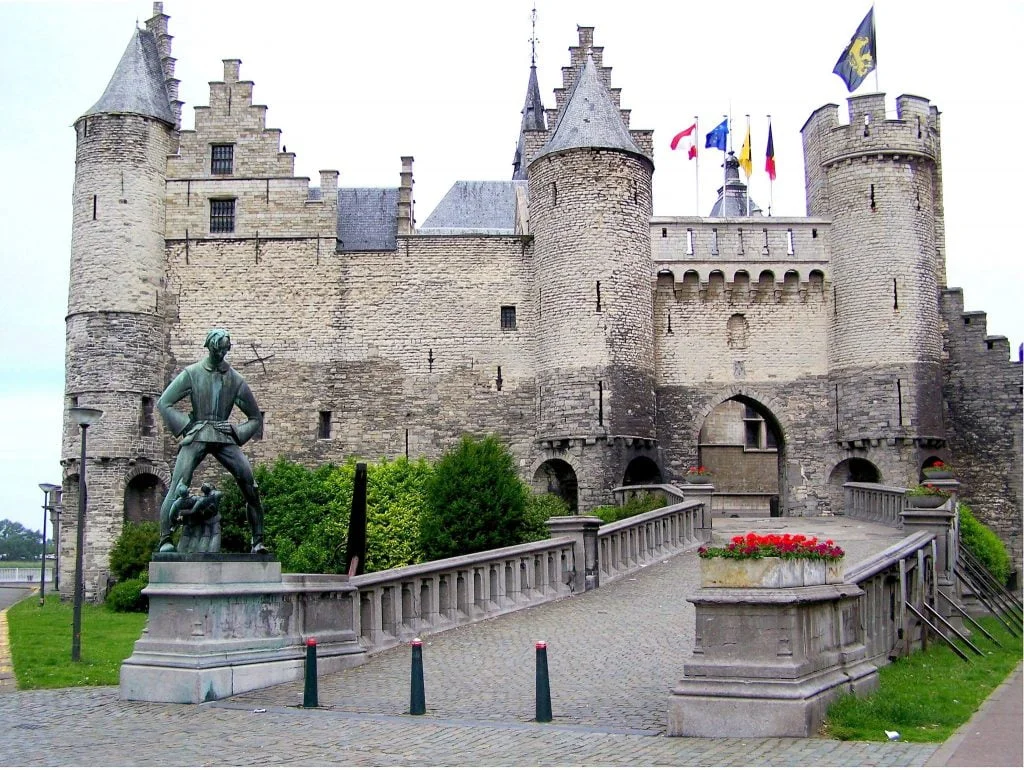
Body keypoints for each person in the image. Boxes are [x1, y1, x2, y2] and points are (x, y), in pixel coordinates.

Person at [157, 329, 268, 553]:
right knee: (179, 484)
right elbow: (164, 402)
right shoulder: (192, 373)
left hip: (224, 436)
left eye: (224, 351)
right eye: (218, 350)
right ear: (209, 347)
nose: (221, 355)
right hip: (198, 434)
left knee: (250, 485)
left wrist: (236, 431)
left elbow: (255, 418)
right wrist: (187, 426)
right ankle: (165, 539)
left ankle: (258, 541)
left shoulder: (236, 380)